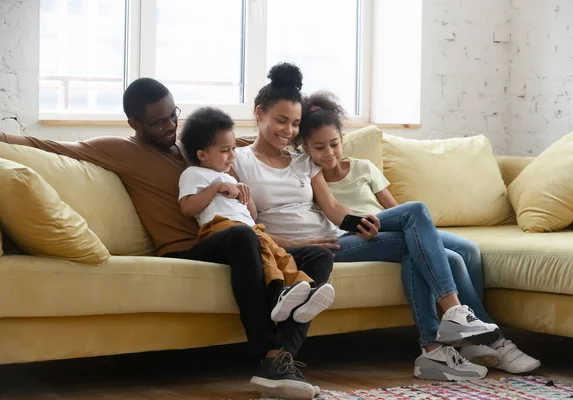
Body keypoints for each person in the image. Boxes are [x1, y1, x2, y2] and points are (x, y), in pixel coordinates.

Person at [0, 78, 330, 400]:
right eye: (159, 122)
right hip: (187, 249)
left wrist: (326, 156)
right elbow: (44, 145)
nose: (171, 126)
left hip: (228, 239)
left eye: (174, 115)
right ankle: (268, 353)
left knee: (319, 257)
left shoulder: (196, 148)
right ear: (135, 123)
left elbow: (260, 144)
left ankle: (283, 358)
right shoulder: (120, 150)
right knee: (241, 236)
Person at [231, 62, 505, 382]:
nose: (288, 131)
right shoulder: (238, 160)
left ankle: (435, 346)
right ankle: (445, 330)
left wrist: (359, 224)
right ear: (259, 112)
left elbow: (333, 208)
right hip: (309, 250)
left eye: (294, 124)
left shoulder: (303, 160)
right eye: (281, 121)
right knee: (416, 220)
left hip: (335, 235)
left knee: (413, 231)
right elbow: (249, 228)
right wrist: (296, 244)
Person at [296, 90, 542, 377]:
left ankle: (468, 340)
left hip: (383, 224)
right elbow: (334, 209)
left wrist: (404, 226)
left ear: (342, 139)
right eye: (319, 148)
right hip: (353, 233)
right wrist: (359, 222)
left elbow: (395, 210)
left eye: (334, 144)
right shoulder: (310, 174)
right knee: (429, 232)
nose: (328, 153)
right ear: (306, 148)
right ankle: (489, 337)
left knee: (467, 252)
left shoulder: (363, 167)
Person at [178, 106, 335, 324]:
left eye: (233, 148)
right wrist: (215, 188)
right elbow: (187, 207)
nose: (232, 155)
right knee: (264, 251)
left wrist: (246, 196)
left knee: (279, 254)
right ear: (202, 155)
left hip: (249, 229)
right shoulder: (194, 174)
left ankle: (304, 291)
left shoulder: (230, 178)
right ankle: (279, 293)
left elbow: (250, 215)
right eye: (225, 150)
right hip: (220, 229)